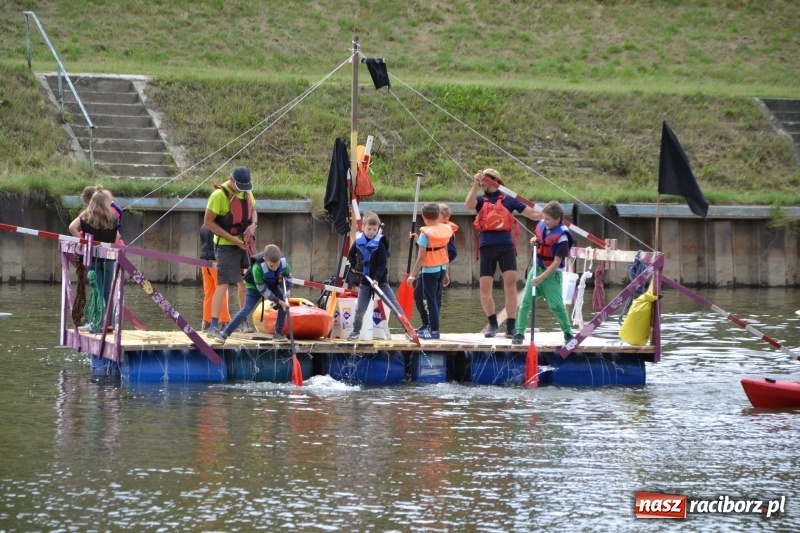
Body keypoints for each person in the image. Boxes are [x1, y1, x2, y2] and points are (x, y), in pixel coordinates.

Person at [465, 168, 542, 338]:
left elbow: (532, 214)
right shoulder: (480, 199)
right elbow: (468, 205)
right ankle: (493, 324)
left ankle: (511, 327)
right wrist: (475, 184)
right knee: (485, 289)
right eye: (482, 180)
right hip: (486, 248)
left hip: (506, 247)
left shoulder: (510, 200)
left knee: (510, 288)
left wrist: (549, 214)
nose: (483, 183)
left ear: (495, 181)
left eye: (486, 180)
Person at [203, 166, 257, 337]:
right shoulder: (218, 196)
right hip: (226, 246)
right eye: (240, 186)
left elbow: (253, 211)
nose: (243, 190)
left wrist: (253, 225)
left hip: (245, 244)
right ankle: (213, 326)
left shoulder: (247, 193)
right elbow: (208, 222)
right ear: (231, 180)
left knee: (245, 284)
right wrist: (233, 239)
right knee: (223, 284)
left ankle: (244, 321)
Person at [512, 201, 574, 345]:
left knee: (557, 306)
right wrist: (534, 240)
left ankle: (568, 333)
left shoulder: (562, 237)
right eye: (544, 218)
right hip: (537, 269)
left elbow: (557, 262)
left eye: (548, 219)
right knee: (525, 302)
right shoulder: (543, 226)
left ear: (557, 219)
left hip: (552, 275)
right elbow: (538, 240)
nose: (544, 221)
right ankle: (520, 333)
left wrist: (541, 278)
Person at [208, 244, 292, 343]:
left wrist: (289, 290)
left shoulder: (283, 263)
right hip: (254, 287)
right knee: (246, 310)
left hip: (271, 283)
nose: (274, 268)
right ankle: (224, 334)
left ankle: (278, 333)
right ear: (265, 259)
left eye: (277, 265)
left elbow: (289, 277)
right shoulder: (257, 267)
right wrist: (278, 301)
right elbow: (262, 290)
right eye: (271, 266)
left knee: (284, 304)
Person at [346, 212, 404, 340]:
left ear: (378, 229)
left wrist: (377, 279)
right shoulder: (358, 242)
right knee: (360, 309)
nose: (372, 232)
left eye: (375, 229)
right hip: (365, 280)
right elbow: (350, 256)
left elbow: (382, 264)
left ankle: (407, 328)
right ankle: (355, 331)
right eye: (369, 229)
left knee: (393, 304)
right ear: (363, 228)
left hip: (380, 281)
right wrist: (356, 266)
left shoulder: (380, 244)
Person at [69, 189, 121, 326]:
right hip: (108, 259)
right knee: (107, 292)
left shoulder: (86, 216)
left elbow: (71, 227)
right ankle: (109, 323)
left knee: (96, 290)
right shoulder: (112, 218)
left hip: (92, 258)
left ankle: (97, 322)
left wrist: (82, 240)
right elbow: (117, 239)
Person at [406, 203, 453, 340]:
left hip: (429, 271)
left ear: (424, 218)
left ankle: (434, 331)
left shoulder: (424, 235)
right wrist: (446, 272)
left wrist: (412, 276)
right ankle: (427, 324)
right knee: (422, 296)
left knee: (431, 300)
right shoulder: (444, 230)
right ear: (438, 216)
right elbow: (445, 251)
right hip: (441, 269)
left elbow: (421, 258)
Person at [199, 226, 231, 331]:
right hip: (217, 262)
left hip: (204, 261)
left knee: (209, 293)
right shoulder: (219, 227)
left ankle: (206, 322)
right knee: (222, 292)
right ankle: (224, 322)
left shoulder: (203, 227)